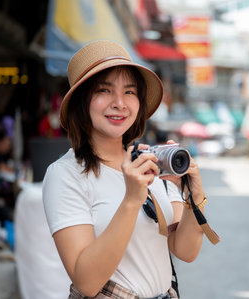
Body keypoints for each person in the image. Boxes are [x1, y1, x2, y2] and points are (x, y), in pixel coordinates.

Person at [42, 40, 209, 299]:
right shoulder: (65, 174)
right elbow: (86, 282)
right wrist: (131, 200)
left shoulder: (152, 163)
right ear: (82, 102)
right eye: (104, 91)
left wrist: (194, 197)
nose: (120, 103)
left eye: (130, 92)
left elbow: (185, 251)